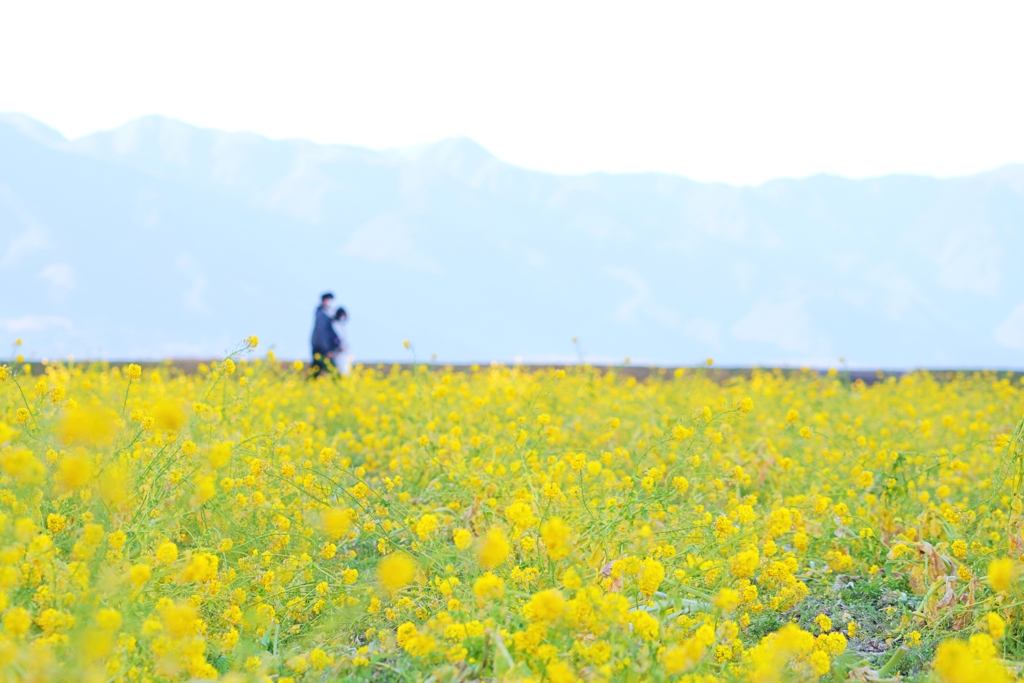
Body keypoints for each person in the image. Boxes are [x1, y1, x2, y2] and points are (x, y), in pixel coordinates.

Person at [310, 292, 340, 378]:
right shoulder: (322, 315)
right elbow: (322, 334)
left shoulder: (324, 314)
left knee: (316, 371)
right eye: (328, 300)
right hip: (321, 348)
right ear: (323, 301)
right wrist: (327, 350)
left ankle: (307, 387)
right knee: (332, 371)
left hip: (320, 347)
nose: (330, 303)